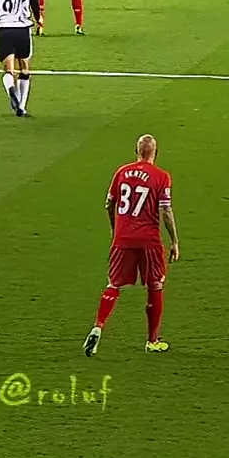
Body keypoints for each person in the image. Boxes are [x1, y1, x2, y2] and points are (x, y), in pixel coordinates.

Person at [83, 134, 180, 357]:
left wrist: (114, 229)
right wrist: (174, 241)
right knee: (155, 285)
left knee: (113, 284)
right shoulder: (161, 176)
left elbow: (109, 203)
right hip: (148, 240)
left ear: (136, 151)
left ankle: (98, 326)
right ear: (156, 153)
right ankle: (152, 341)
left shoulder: (122, 172)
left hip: (122, 238)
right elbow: (165, 210)